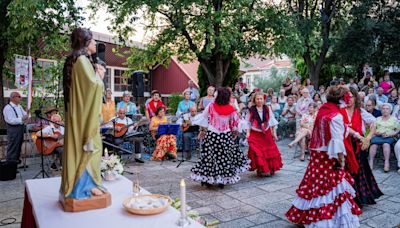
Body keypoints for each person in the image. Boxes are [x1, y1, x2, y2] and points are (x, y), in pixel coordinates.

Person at [286, 86, 362, 227]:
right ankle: (326, 221)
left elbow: (333, 131)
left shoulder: (324, 110)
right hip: (328, 156)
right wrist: (341, 160)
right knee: (330, 187)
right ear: (342, 100)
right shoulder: (336, 115)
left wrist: (355, 134)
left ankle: (307, 215)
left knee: (314, 184)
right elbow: (337, 141)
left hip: (316, 154)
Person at [61, 28, 106, 199]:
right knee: (91, 148)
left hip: (79, 116)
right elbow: (92, 87)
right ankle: (84, 187)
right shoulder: (81, 61)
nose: (95, 43)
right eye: (93, 40)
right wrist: (99, 77)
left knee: (88, 148)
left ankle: (87, 185)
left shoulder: (77, 60)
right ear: (85, 42)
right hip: (84, 119)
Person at [191, 87, 249, 188]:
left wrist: (202, 131)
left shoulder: (211, 106)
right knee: (224, 158)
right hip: (225, 136)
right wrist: (235, 132)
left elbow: (204, 119)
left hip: (212, 135)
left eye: (216, 94)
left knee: (210, 157)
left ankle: (209, 179)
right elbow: (235, 122)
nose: (214, 95)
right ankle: (221, 180)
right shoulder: (231, 108)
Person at [340, 87, 383, 206]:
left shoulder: (361, 112)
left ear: (355, 98)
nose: (347, 99)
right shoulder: (340, 111)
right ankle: (344, 199)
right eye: (345, 97)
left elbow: (374, 123)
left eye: (350, 96)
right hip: (343, 148)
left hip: (357, 148)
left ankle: (358, 199)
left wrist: (368, 138)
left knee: (359, 173)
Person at [246, 92, 282, 177]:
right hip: (255, 133)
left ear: (263, 100)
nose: (259, 100)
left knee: (269, 151)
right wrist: (248, 133)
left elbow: (272, 121)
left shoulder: (267, 108)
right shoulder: (251, 109)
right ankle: (260, 168)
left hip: (266, 133)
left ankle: (270, 168)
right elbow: (248, 122)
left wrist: (274, 133)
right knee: (256, 151)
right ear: (254, 100)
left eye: (261, 99)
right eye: (257, 99)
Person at [368, 103, 400, 172]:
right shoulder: (377, 119)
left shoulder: (394, 119)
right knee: (373, 145)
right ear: (381, 110)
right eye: (383, 109)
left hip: (389, 137)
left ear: (390, 110)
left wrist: (391, 134)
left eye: (387, 109)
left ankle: (386, 162)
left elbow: (398, 130)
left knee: (386, 144)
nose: (385, 110)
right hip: (378, 136)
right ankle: (371, 162)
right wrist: (376, 132)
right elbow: (372, 129)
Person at [3, 92, 29, 163]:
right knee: (13, 146)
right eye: (19, 96)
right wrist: (22, 119)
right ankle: (10, 164)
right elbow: (10, 120)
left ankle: (15, 163)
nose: (20, 98)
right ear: (13, 98)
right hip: (13, 129)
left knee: (18, 146)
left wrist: (27, 114)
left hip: (20, 128)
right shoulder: (8, 108)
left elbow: (25, 115)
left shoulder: (19, 106)